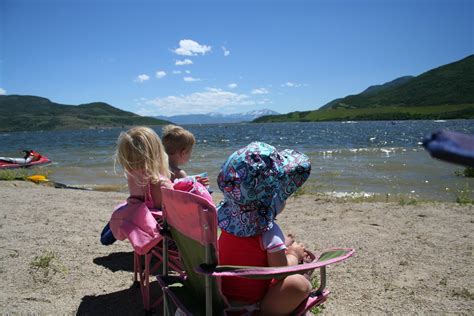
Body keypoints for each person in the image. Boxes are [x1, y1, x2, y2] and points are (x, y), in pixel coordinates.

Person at [217, 141, 312, 315]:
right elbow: (280, 272)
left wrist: (282, 244)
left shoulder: (228, 225)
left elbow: (247, 253)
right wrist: (293, 255)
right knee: (299, 284)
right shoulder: (269, 232)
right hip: (252, 304)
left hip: (219, 298)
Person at [100, 126, 172, 245]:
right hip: (154, 226)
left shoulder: (132, 174)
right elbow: (171, 211)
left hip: (136, 217)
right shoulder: (162, 183)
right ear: (158, 152)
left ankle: (109, 232)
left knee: (115, 220)